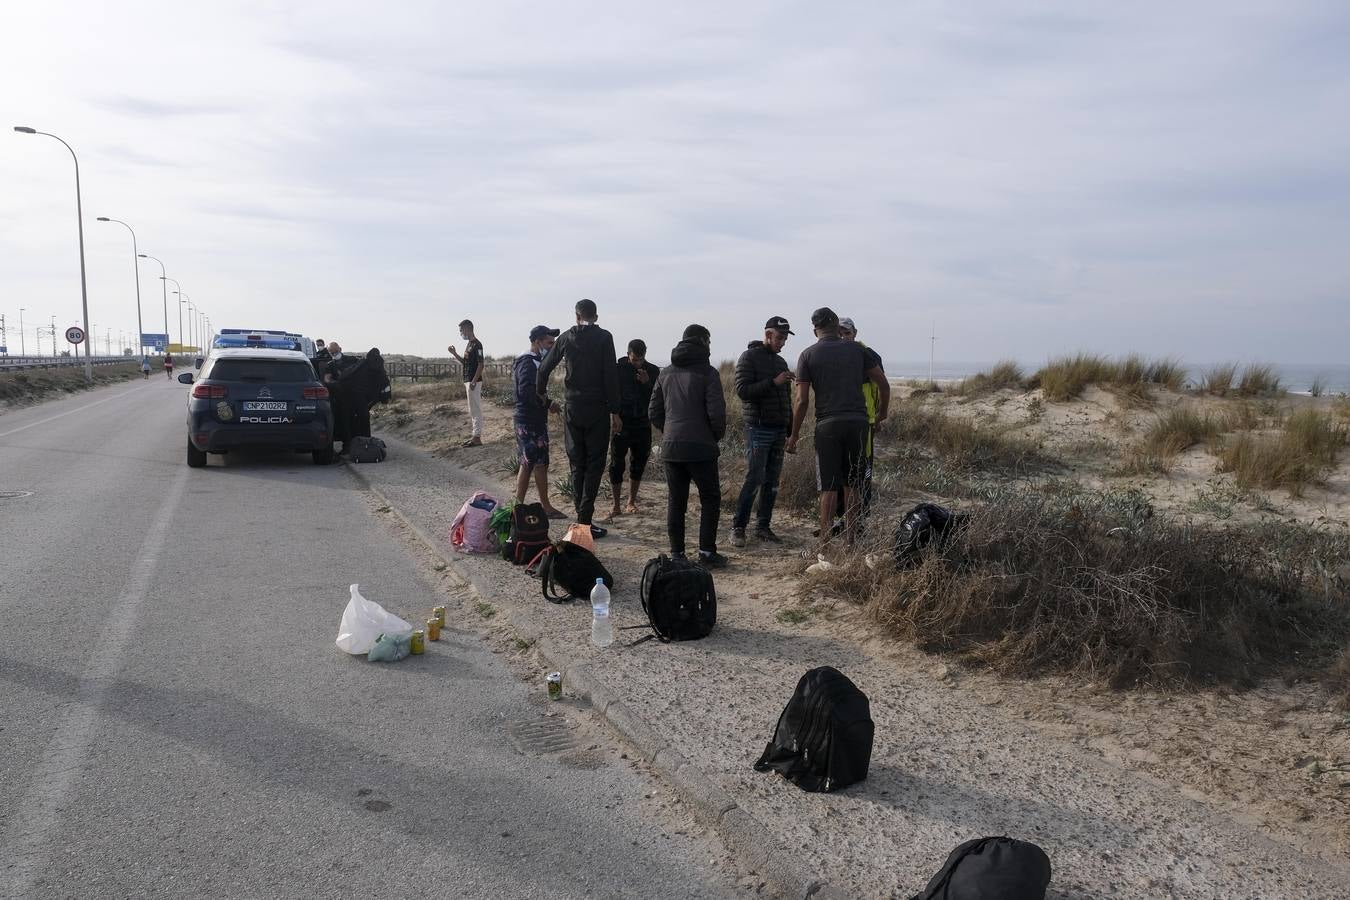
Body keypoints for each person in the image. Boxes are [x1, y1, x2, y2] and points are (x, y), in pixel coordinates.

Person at [787, 307, 890, 556]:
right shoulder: (858, 350)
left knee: (828, 487)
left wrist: (794, 435)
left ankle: (824, 544)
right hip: (858, 423)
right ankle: (850, 542)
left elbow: (801, 401)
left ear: (815, 331)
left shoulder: (807, 355)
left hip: (828, 425)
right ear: (836, 327)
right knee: (853, 483)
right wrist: (881, 414)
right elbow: (883, 384)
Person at [536, 298, 621, 539]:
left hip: (573, 407)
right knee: (594, 464)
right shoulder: (605, 338)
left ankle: (582, 520)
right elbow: (610, 376)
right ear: (596, 316)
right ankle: (584, 520)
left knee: (577, 463)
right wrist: (615, 411)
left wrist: (542, 394)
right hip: (597, 409)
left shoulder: (566, 337)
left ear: (576, 316)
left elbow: (544, 368)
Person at [649, 324, 728, 569]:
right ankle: (706, 552)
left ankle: (677, 554)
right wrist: (713, 436)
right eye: (709, 341)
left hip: (672, 447)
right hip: (701, 447)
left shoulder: (666, 372)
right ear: (703, 341)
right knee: (710, 498)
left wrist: (670, 430)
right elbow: (717, 414)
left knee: (676, 500)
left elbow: (653, 411)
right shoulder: (709, 373)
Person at [730, 316, 794, 548]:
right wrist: (773, 382)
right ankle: (738, 527)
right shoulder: (749, 357)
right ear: (767, 335)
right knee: (754, 478)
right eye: (779, 337)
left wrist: (790, 431)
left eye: (785, 338)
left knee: (772, 481)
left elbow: (787, 399)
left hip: (778, 430)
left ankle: (763, 527)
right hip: (758, 428)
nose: (783, 342)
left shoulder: (780, 362)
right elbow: (742, 390)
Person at [512, 326, 568, 518]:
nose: (552, 347)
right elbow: (526, 393)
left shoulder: (536, 361)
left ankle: (539, 506)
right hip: (527, 420)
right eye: (549, 343)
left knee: (538, 463)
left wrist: (545, 403)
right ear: (537, 342)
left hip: (535, 419)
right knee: (530, 463)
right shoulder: (527, 362)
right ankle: (520, 506)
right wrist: (548, 403)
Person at [837, 316, 884, 525]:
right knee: (838, 470)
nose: (843, 337)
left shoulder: (869, 355)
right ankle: (840, 517)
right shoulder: (831, 355)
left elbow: (881, 388)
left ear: (855, 333)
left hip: (865, 422)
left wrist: (879, 416)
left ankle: (861, 517)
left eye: (846, 333)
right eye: (839, 333)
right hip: (838, 422)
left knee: (862, 470)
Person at [609, 339, 661, 518]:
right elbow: (611, 394)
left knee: (638, 463)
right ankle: (616, 505)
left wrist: (647, 383)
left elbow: (657, 397)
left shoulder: (653, 370)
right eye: (634, 359)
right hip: (621, 422)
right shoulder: (618, 369)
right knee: (617, 464)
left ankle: (631, 502)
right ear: (628, 354)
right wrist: (614, 415)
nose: (637, 362)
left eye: (640, 359)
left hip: (642, 424)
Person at [447, 319, 484, 447]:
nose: (461, 333)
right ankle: (475, 436)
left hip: (474, 381)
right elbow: (466, 363)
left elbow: (481, 364)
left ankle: (477, 437)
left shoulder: (477, 344)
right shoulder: (469, 344)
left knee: (475, 409)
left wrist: (474, 381)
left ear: (468, 329)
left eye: (461, 330)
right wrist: (454, 354)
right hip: (468, 380)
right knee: (472, 409)